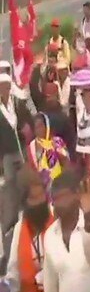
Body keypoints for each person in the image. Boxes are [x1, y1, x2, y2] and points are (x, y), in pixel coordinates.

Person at [5, 167, 54, 292]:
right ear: (25, 202)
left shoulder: (57, 219)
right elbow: (14, 275)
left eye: (42, 195)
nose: (41, 201)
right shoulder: (19, 230)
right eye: (34, 198)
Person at [0, 72, 32, 234]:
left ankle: (26, 213)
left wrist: (24, 129)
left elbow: (26, 120)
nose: (5, 91)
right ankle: (11, 221)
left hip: (20, 149)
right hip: (6, 153)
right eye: (2, 88)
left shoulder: (16, 105)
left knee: (24, 181)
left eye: (7, 87)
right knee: (10, 185)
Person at [26, 113, 69, 191]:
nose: (39, 129)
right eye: (36, 127)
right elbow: (32, 169)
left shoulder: (57, 141)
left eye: (41, 125)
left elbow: (66, 162)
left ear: (46, 126)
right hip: (43, 187)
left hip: (60, 184)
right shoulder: (31, 147)